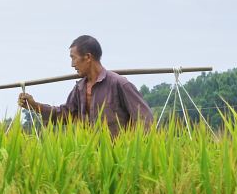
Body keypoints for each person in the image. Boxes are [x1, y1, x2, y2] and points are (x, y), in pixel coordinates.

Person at [18, 35, 153, 138]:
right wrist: (34, 106)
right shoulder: (80, 89)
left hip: (118, 157)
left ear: (88, 57)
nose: (72, 64)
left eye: (73, 58)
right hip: (90, 158)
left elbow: (144, 119)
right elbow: (65, 114)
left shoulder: (119, 84)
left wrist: (131, 151)